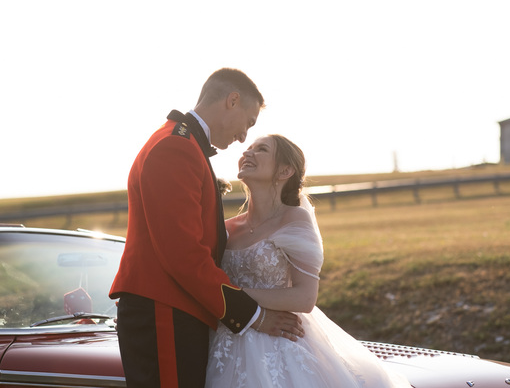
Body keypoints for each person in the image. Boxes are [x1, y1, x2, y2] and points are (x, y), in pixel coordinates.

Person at [109, 69, 304, 388]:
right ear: (232, 100)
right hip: (164, 312)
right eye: (249, 122)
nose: (244, 137)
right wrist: (255, 316)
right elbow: (184, 256)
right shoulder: (177, 147)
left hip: (172, 310)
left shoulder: (182, 142)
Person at [205, 134, 411, 387]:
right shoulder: (226, 228)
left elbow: (304, 298)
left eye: (261, 149)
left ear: (285, 171)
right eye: (247, 148)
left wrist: (233, 295)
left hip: (279, 340)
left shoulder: (294, 220)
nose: (247, 153)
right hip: (226, 338)